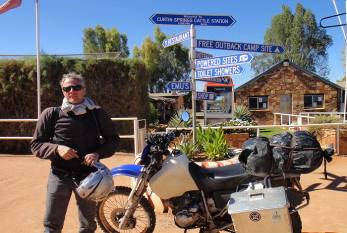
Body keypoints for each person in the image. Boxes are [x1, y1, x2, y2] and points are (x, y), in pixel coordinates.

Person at [31, 72, 119, 233]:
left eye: (76, 87)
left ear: (84, 90)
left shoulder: (98, 113)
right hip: (59, 176)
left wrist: (97, 153)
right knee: (51, 225)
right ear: (62, 90)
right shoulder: (51, 114)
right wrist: (57, 149)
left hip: (89, 177)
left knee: (87, 225)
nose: (72, 90)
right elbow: (36, 144)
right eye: (67, 88)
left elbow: (113, 140)